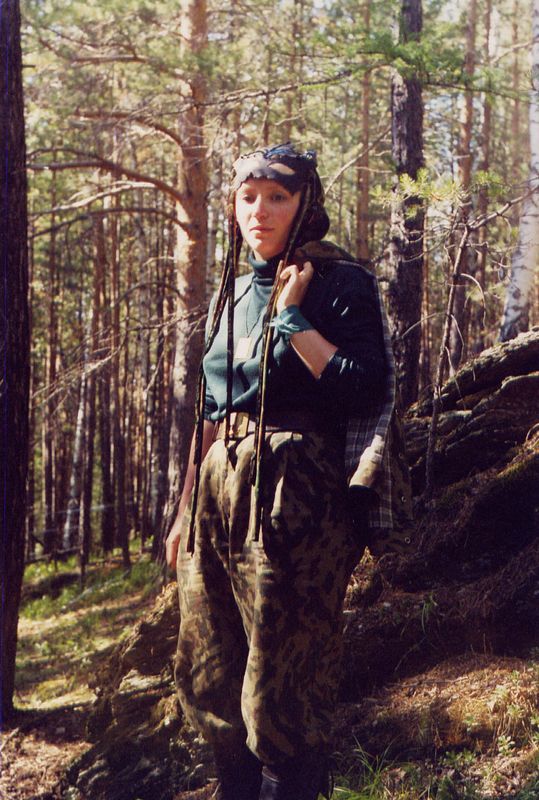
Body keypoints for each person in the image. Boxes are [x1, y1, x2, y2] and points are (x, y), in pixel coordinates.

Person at [165, 143, 396, 800]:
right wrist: (184, 511)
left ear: (305, 204)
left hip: (296, 491)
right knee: (209, 671)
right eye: (247, 197)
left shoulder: (339, 282)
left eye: (277, 197)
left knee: (282, 683)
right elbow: (213, 408)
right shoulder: (236, 291)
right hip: (218, 488)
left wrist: (294, 319)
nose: (259, 211)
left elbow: (365, 385)